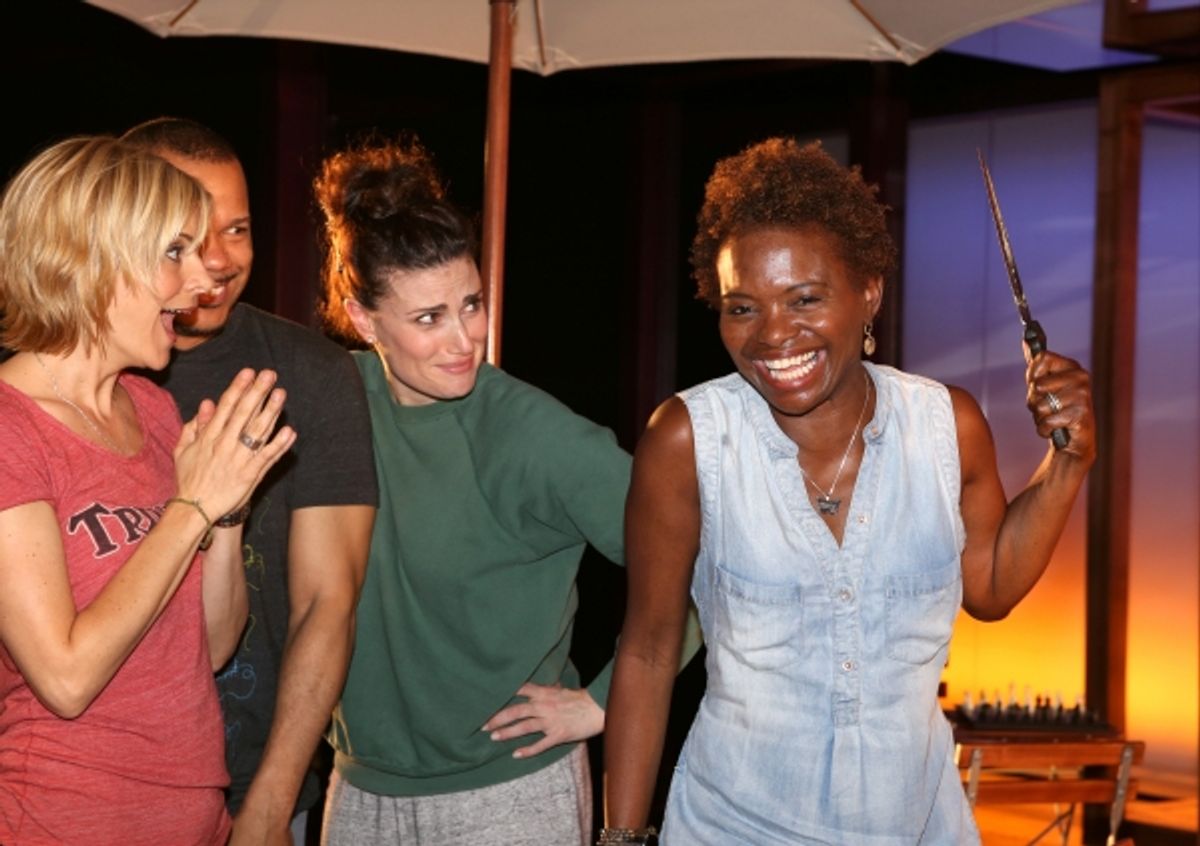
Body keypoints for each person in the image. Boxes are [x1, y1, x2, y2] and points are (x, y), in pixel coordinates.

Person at [601, 138, 1097, 845]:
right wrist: (620, 838)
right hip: (733, 825)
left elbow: (987, 588)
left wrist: (1069, 467)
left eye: (804, 299)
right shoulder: (688, 440)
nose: (774, 336)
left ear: (869, 291)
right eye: (742, 307)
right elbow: (649, 651)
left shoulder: (944, 424)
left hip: (918, 826)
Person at [311, 136, 644, 846]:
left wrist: (604, 702)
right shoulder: (332, 404)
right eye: (429, 318)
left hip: (509, 793)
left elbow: (703, 562)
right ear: (365, 321)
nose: (465, 339)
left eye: (472, 304)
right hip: (359, 786)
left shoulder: (540, 437)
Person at [0, 135, 295, 844]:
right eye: (175, 253)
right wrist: (189, 508)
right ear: (93, 259)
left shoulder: (153, 409)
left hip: (193, 818)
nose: (202, 280)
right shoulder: (12, 429)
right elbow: (66, 679)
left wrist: (225, 513)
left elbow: (215, 645)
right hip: (66, 818)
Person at [120, 118, 379, 845]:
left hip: (256, 789)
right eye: (188, 236)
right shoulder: (82, 377)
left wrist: (270, 800)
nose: (218, 259)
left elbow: (328, 604)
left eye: (237, 229)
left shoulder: (312, 373)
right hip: (88, 786)